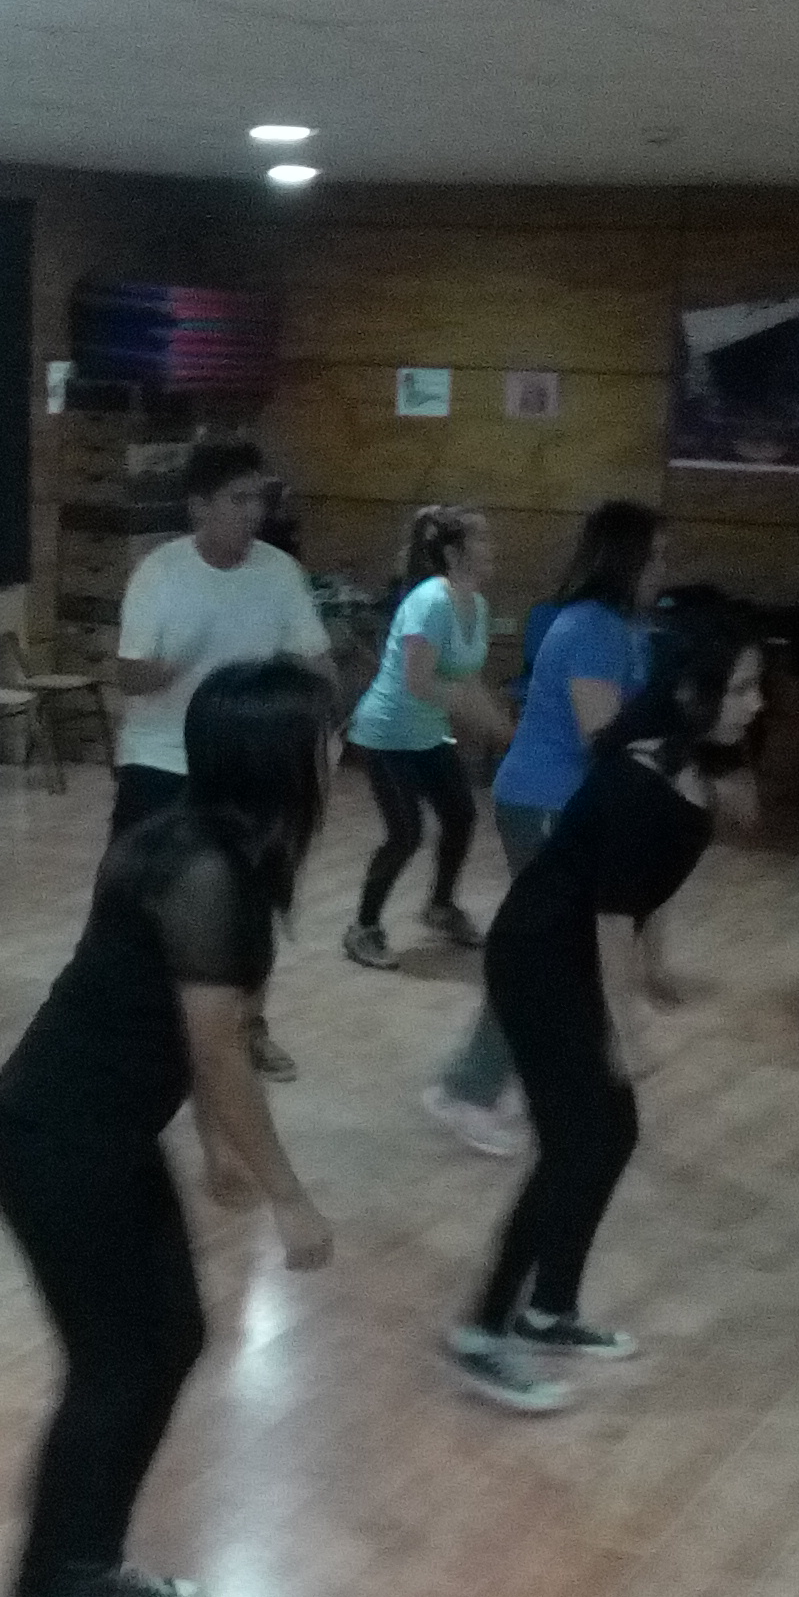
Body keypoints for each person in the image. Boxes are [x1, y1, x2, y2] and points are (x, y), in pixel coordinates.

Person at [0, 659, 335, 1597]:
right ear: (279, 757)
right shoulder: (204, 870)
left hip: (102, 1135)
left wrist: (219, 1149)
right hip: (53, 1139)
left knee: (169, 1340)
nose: (337, 750)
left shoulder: (216, 849)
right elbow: (218, 1051)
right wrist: (287, 1193)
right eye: (323, 736)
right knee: (111, 1369)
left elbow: (198, 1025)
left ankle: (87, 1560)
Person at [446, 599, 762, 1414]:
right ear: (691, 693)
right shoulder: (636, 781)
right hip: (539, 958)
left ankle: (550, 1309)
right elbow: (611, 917)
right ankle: (482, 1332)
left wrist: (655, 970)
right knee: (574, 1145)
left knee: (608, 1134)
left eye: (755, 687)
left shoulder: (691, 764)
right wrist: (629, 1026)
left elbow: (653, 888)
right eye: (740, 689)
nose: (755, 703)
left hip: (571, 957)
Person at [422, 501, 664, 1159]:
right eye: (655, 557)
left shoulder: (622, 628)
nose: (662, 571)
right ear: (626, 559)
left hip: (565, 803)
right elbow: (602, 736)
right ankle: (468, 1090)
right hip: (546, 803)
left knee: (558, 953)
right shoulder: (592, 630)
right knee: (543, 955)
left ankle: (525, 1080)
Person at [110, 442, 333, 1083]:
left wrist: (318, 703)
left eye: (259, 497)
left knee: (252, 900)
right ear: (199, 506)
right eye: (238, 499)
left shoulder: (280, 573)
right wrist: (172, 664)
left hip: (246, 762)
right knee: (136, 893)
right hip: (160, 756)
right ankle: (136, 1021)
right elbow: (128, 676)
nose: (254, 511)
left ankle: (247, 1027)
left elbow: (314, 661)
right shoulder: (159, 573)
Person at [343, 503, 513, 969]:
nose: (492, 547)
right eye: (482, 539)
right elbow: (420, 683)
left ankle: (440, 906)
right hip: (386, 734)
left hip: (429, 734)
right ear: (454, 554)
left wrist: (501, 728)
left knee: (461, 817)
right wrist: (485, 720)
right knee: (405, 833)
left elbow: (468, 681)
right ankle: (363, 928)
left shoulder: (476, 605)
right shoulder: (430, 602)